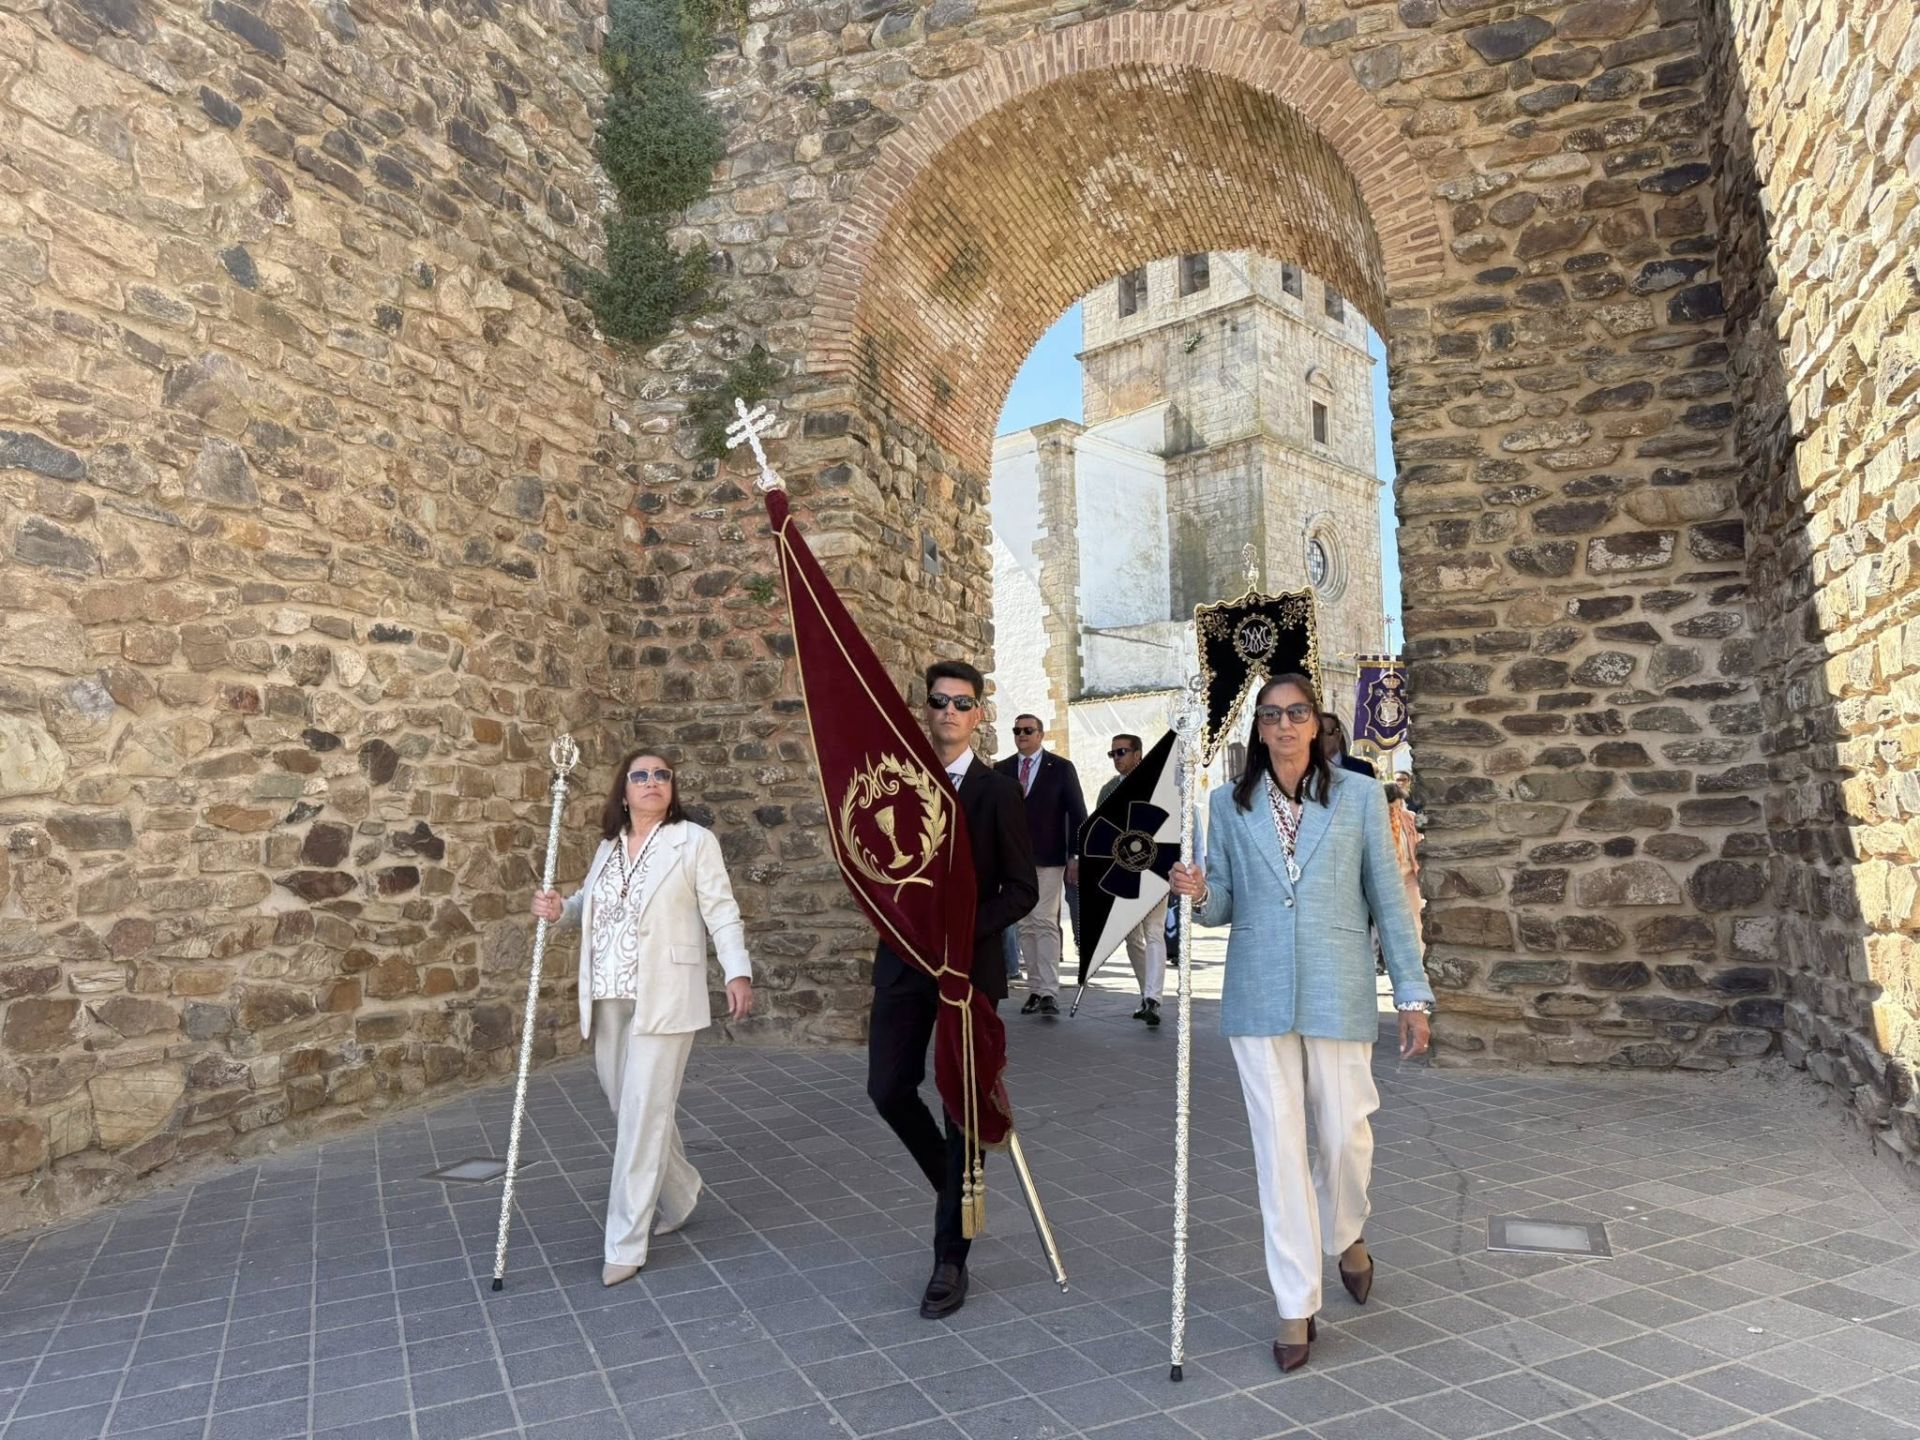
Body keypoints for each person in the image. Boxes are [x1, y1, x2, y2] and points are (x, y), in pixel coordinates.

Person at [1170, 673, 1431, 1374]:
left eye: (1297, 713)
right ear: (1258, 729)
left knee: (1345, 1134)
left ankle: (1347, 1233)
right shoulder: (1226, 804)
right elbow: (1222, 903)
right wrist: (1197, 893)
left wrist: (1411, 992)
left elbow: (1386, 894)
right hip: (1257, 994)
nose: (1284, 726)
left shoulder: (1357, 797)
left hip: (1337, 986)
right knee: (1279, 1151)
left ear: (1316, 724)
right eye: (1271, 716)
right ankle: (1294, 1302)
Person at [531, 751, 753, 1287]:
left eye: (662, 776)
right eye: (640, 776)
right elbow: (591, 902)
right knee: (628, 1105)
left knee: (640, 1114)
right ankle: (680, 1192)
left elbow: (721, 909)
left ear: (672, 788)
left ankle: (625, 1241)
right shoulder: (608, 848)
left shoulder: (694, 842)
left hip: (666, 996)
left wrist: (736, 970)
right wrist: (562, 910)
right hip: (609, 997)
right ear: (623, 791)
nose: (652, 783)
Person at [868, 661, 1037, 1319]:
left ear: (978, 715)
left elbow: (1021, 890)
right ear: (927, 708)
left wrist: (961, 933)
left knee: (961, 1106)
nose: (949, 712)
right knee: (887, 1087)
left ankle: (950, 1257)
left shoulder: (997, 793)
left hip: (966, 972)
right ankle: (955, 1188)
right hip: (904, 965)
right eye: (939, 701)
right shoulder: (897, 784)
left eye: (962, 704)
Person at [994, 714, 1087, 1019]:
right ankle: (1034, 990)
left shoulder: (1060, 768)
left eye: (1027, 730)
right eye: (1017, 730)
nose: (1021, 735)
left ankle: (1048, 991)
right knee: (1024, 923)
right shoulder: (1003, 769)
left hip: (1050, 858)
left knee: (1044, 919)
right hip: (1014, 861)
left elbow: (1078, 814)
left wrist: (1076, 856)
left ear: (1040, 734)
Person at [1096, 733, 1165, 1027]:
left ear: (1138, 754)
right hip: (1123, 872)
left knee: (1154, 932)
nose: (1117, 758)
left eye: (1121, 752)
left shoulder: (1158, 784)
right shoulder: (1108, 790)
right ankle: (1145, 993)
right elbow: (1100, 829)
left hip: (1155, 869)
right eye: (1112, 754)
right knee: (1131, 936)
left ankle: (1153, 998)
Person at [1319, 711, 1377, 777]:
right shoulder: (1308, 770)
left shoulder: (1362, 769)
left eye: (1329, 732)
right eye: (1319, 733)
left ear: (1339, 735)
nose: (1323, 737)